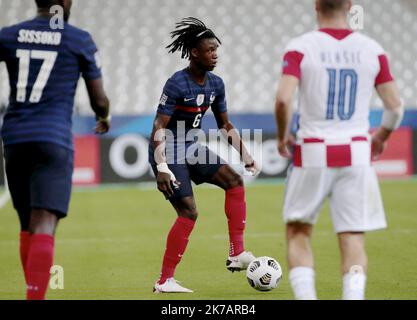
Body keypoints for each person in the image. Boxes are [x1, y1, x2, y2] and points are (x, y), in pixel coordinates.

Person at [274, 0, 404, 300]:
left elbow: (283, 99)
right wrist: (382, 135)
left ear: (316, 6)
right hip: (357, 154)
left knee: (298, 231)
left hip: (313, 151)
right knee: (352, 237)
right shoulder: (372, 49)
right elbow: (395, 107)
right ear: (349, 6)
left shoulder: (301, 47)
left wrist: (282, 137)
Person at [0, 0, 110, 300]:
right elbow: (98, 99)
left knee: (27, 224)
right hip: (52, 137)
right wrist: (103, 117)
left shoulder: (9, 35)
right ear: (64, 3)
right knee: (44, 222)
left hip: (14, 138)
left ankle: (31, 292)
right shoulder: (77, 39)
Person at [149, 17, 259, 293]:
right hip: (171, 151)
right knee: (189, 213)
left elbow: (225, 124)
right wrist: (161, 165)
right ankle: (165, 281)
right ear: (194, 53)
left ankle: (237, 253)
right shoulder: (176, 84)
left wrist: (245, 154)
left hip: (191, 148)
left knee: (235, 181)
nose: (215, 55)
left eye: (216, 50)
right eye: (210, 50)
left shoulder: (216, 84)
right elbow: (159, 126)